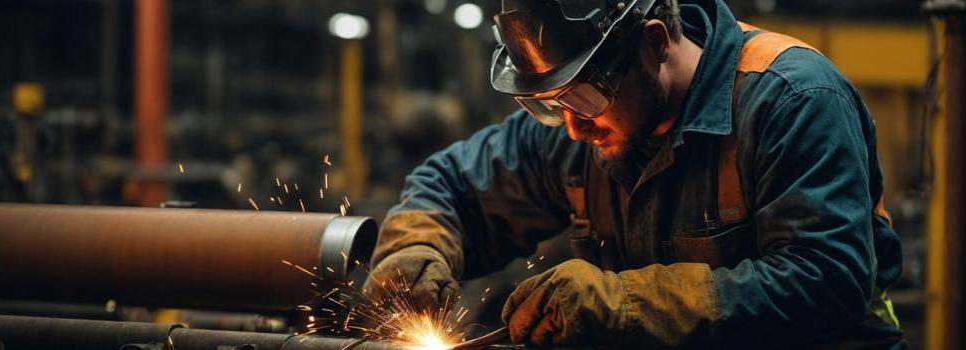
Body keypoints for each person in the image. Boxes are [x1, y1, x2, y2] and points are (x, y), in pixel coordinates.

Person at [363, 0, 906, 348]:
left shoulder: (792, 99)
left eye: (584, 94)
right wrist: (416, 248)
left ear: (653, 43)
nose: (571, 127)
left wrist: (625, 304)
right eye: (549, 104)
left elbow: (826, 282)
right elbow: (452, 186)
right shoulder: (578, 124)